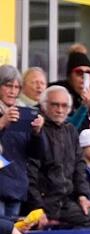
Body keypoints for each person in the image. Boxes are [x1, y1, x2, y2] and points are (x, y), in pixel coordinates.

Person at [26, 86, 90, 229]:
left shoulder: (71, 131)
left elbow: (79, 167)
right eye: (55, 105)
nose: (60, 110)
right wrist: (37, 207)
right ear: (43, 106)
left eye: (64, 106)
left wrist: (82, 196)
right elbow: (30, 173)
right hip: (42, 202)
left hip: (67, 202)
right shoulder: (36, 130)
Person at [0, 64, 44, 218]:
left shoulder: (23, 112)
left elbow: (35, 154)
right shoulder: (6, 116)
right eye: (8, 86)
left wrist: (37, 134)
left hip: (16, 185)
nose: (12, 91)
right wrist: (2, 123)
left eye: (16, 87)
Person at [50, 49, 90, 130]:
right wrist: (84, 106)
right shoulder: (60, 94)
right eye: (79, 72)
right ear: (70, 76)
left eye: (89, 73)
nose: (84, 77)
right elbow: (66, 130)